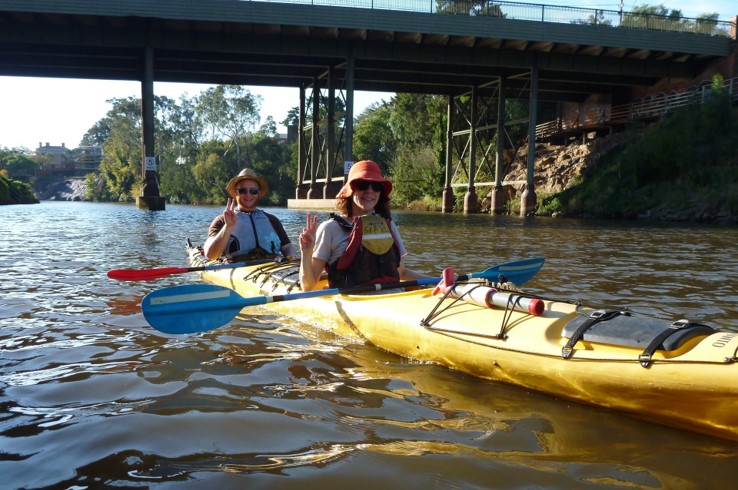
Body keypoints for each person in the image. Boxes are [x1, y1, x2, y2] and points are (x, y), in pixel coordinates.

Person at [298, 160, 427, 291]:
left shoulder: (388, 226)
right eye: (363, 184)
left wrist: (438, 282)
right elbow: (308, 287)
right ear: (350, 190)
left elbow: (402, 273)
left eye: (376, 186)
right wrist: (306, 253)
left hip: (393, 298)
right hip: (355, 303)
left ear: (380, 192)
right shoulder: (329, 229)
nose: (370, 190)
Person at [204, 168, 299, 262]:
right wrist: (227, 227)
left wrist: (294, 257)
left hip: (271, 266)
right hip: (237, 268)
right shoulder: (221, 220)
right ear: (236, 192)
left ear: (258, 193)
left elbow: (287, 247)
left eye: (253, 191)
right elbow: (210, 255)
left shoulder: (272, 220)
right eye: (242, 191)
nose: (248, 195)